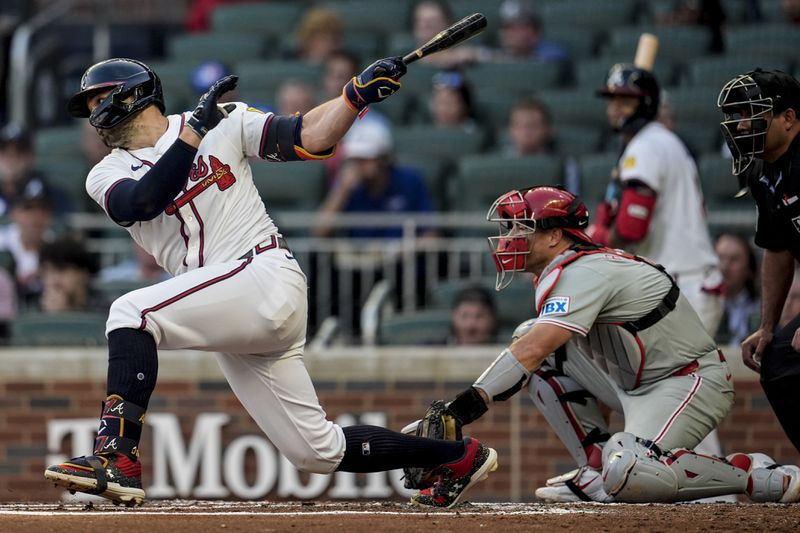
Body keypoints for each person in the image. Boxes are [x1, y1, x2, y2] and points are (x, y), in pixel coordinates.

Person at [43, 57, 496, 509]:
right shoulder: (105, 172)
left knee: (131, 313)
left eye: (101, 98)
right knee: (316, 451)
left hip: (263, 273)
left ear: (134, 93)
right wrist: (192, 135)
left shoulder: (225, 120)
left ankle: (116, 455)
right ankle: (456, 456)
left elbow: (308, 134)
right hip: (228, 306)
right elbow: (143, 201)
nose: (96, 114)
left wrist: (353, 98)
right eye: (91, 104)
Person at [405, 185, 800, 504]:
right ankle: (594, 467)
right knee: (531, 336)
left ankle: (754, 475)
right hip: (630, 379)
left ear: (555, 235)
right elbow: (534, 348)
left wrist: (462, 409)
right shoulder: (563, 269)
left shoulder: (584, 270)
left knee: (629, 471)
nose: (510, 237)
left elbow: (534, 348)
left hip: (687, 381)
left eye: (521, 228)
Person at [717, 68, 800, 453]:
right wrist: (767, 327)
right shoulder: (762, 172)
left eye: (753, 113)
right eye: (738, 115)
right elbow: (778, 248)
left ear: (789, 118)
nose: (743, 124)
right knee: (778, 361)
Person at [313, 118, 435, 240]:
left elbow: (430, 235)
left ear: (384, 158)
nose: (358, 166)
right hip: (359, 257)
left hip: (401, 258)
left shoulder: (410, 181)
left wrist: (406, 248)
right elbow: (319, 232)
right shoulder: (347, 186)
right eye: (354, 159)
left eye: (365, 159)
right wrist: (342, 191)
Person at [0, 187, 55, 309]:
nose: (35, 216)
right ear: (13, 213)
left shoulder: (57, 247)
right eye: (28, 209)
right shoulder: (1, 241)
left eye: (42, 210)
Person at [0, 124, 70, 218]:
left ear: (31, 156)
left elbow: (64, 229)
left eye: (20, 150)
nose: (11, 157)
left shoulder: (51, 196)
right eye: (4, 150)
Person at [37, 234, 105, 313]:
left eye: (62, 270)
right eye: (47, 271)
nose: (54, 280)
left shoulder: (108, 311)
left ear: (83, 274)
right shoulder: (30, 311)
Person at [714, 233, 759, 345]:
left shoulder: (761, 311)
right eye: (720, 257)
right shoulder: (697, 306)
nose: (724, 266)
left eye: (734, 259)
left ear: (749, 269)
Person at [495, 0, 569, 63]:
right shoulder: (502, 53)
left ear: (535, 31)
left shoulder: (551, 51)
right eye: (507, 28)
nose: (510, 34)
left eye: (518, 28)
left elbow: (555, 57)